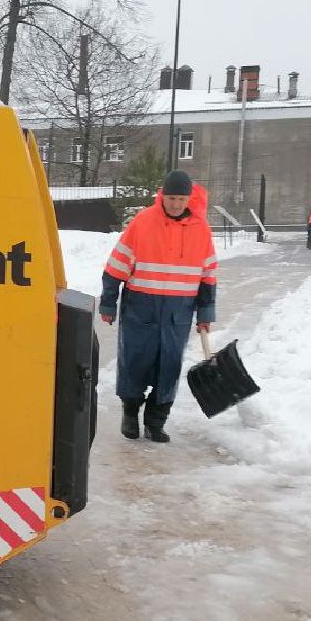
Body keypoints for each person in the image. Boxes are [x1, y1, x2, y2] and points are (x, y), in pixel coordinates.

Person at [98, 169, 217, 443]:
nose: (176, 204)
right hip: (141, 308)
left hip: (179, 312)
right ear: (162, 196)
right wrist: (108, 302)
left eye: (181, 199)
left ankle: (156, 421)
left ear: (189, 199)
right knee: (135, 362)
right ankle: (130, 412)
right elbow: (116, 266)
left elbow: (208, 275)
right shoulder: (143, 222)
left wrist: (205, 314)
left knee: (170, 366)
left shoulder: (201, 229)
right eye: (171, 198)